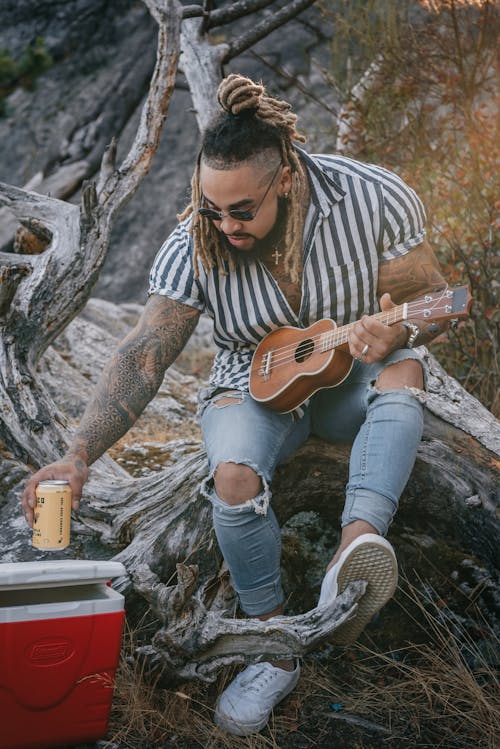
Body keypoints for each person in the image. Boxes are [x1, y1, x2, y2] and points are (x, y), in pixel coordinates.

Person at [22, 74, 448, 737]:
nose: (224, 225)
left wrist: (397, 329)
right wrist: (77, 454)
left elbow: (435, 299)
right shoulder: (198, 237)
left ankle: (357, 545)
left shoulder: (372, 196)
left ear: (284, 179)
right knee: (233, 477)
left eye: (241, 210)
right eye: (211, 207)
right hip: (250, 384)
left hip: (353, 378)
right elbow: (142, 354)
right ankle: (271, 644)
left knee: (404, 367)